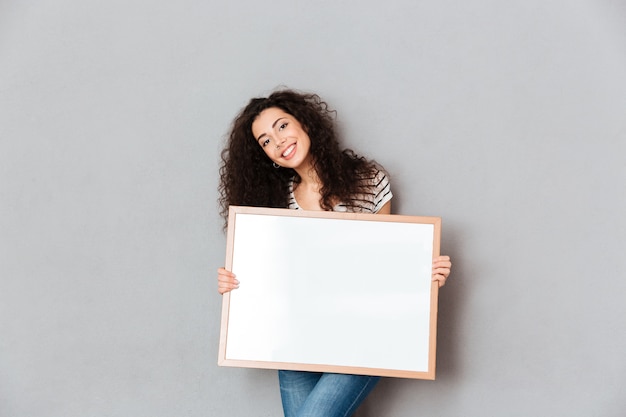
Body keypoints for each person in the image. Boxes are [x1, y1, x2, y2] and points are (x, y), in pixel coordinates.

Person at [216, 89, 452, 417]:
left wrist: (423, 277)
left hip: (363, 338)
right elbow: (271, 280)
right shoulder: (274, 205)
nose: (278, 141)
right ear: (266, 156)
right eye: (266, 141)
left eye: (282, 127)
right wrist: (235, 285)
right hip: (295, 342)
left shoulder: (368, 182)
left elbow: (386, 261)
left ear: (306, 124)